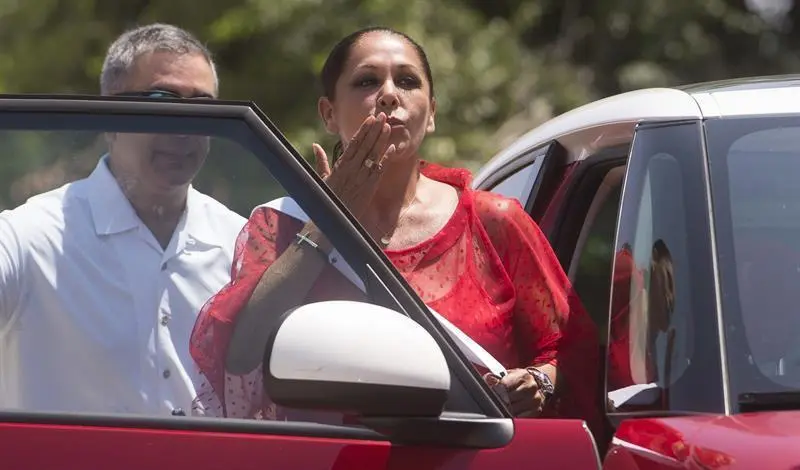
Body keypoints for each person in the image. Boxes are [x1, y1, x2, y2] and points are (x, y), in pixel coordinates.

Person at [189, 26, 601, 431]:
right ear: (328, 113)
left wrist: (538, 381)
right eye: (368, 81)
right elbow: (240, 356)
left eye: (407, 81)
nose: (389, 94)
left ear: (432, 112)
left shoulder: (493, 221)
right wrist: (330, 221)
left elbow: (571, 352)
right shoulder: (281, 225)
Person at [0, 23, 246, 416]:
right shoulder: (29, 237)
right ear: (108, 115)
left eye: (203, 107)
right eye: (161, 101)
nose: (185, 128)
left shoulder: (242, 246)